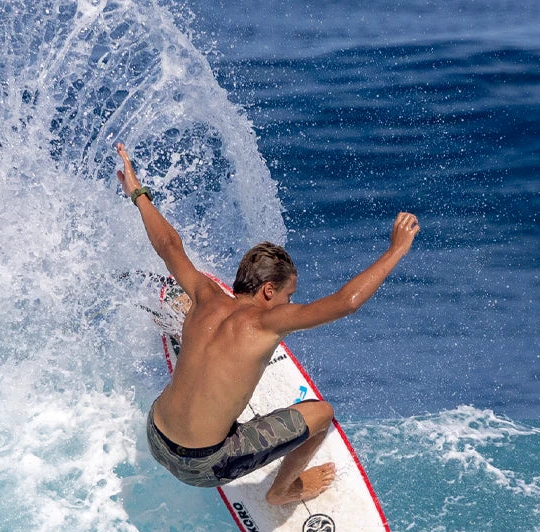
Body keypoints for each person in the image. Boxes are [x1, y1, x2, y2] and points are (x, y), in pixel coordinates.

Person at [116, 142, 419, 505]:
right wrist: (396, 250)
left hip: (156, 436)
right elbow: (346, 302)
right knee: (322, 414)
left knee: (182, 302)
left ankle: (180, 343)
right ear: (269, 290)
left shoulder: (205, 292)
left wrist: (138, 194)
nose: (290, 304)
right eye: (289, 296)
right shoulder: (268, 322)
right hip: (201, 466)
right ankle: (282, 490)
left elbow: (168, 245)